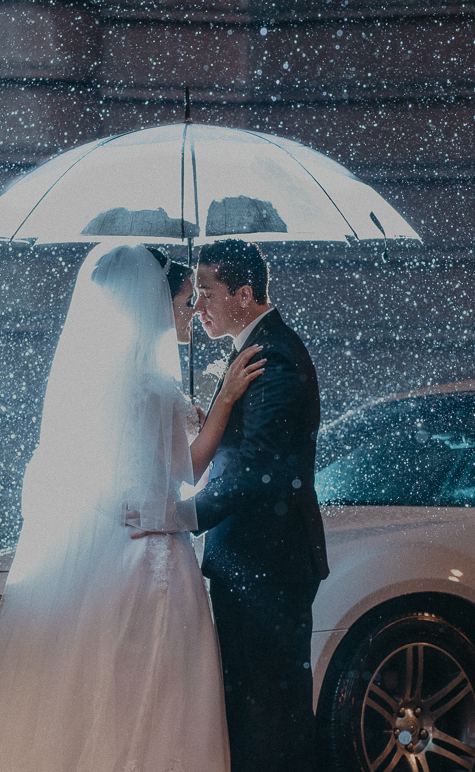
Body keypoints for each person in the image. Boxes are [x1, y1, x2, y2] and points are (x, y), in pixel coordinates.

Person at [0, 243, 263, 772]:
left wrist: (184, 420)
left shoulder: (108, 385)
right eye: (183, 303)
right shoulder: (154, 387)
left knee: (101, 694)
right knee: (155, 694)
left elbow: (133, 468)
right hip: (150, 566)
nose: (191, 312)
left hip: (109, 561)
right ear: (152, 308)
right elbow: (187, 473)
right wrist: (223, 404)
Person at [191, 239, 330, 772]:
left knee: (268, 712)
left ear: (244, 294)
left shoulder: (274, 356)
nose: (197, 306)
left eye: (207, 292)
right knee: (262, 709)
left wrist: (182, 516)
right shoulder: (256, 349)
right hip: (254, 559)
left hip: (267, 562)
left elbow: (259, 471)